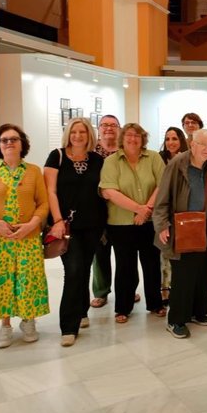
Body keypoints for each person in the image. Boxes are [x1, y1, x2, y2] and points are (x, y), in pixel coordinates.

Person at [0, 124, 49, 348]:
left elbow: (43, 204)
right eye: (4, 140)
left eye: (14, 139)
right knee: (3, 282)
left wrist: (32, 224)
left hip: (28, 237)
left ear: (22, 144)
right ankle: (5, 325)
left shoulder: (33, 171)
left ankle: (28, 320)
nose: (9, 143)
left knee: (27, 281)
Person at [153, 129, 207, 339]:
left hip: (206, 224)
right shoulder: (177, 164)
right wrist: (162, 225)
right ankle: (175, 319)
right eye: (203, 144)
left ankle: (198, 312)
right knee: (184, 275)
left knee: (202, 273)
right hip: (182, 226)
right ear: (192, 144)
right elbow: (163, 197)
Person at [44, 118, 106, 347]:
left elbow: (103, 190)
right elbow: (50, 191)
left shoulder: (97, 160)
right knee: (73, 270)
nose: (78, 136)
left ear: (89, 135)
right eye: (74, 132)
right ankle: (68, 327)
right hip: (66, 226)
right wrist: (57, 220)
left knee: (85, 267)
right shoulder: (57, 156)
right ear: (68, 134)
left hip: (93, 224)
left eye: (82, 132)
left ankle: (82, 312)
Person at [99, 123, 166, 323]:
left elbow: (162, 184)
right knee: (125, 267)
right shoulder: (112, 161)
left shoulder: (153, 157)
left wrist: (146, 210)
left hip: (150, 222)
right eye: (129, 135)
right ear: (122, 137)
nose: (133, 139)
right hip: (120, 223)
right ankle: (123, 307)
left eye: (137, 135)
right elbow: (109, 191)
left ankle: (155, 303)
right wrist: (139, 209)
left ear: (143, 138)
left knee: (152, 264)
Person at [91, 114, 121, 308]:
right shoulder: (90, 152)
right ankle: (101, 292)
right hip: (96, 211)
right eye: (105, 125)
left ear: (119, 129)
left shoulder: (125, 151)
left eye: (113, 125)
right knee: (99, 253)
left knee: (124, 255)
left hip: (121, 209)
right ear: (99, 128)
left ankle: (127, 290)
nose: (109, 128)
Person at [158, 126, 189, 305]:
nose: (171, 142)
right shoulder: (159, 158)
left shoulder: (187, 158)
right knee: (164, 253)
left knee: (180, 255)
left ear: (181, 141)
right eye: (168, 139)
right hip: (164, 211)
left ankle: (178, 287)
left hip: (182, 212)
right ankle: (164, 288)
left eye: (175, 138)